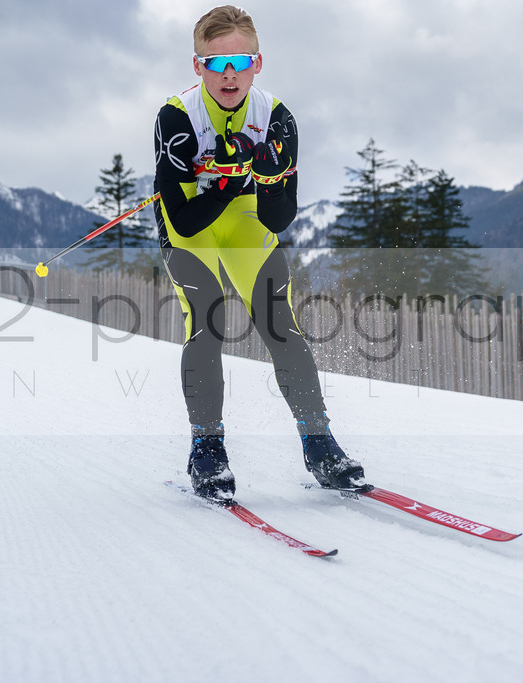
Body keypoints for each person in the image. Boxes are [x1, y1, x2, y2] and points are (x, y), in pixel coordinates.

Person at [153, 5, 366, 501]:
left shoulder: (277, 119)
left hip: (247, 217)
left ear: (258, 63)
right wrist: (228, 181)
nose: (229, 75)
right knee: (206, 317)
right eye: (216, 63)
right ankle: (207, 449)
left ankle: (320, 442)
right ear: (197, 66)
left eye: (240, 61)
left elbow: (276, 219)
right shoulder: (177, 117)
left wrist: (267, 178)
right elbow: (183, 219)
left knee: (277, 320)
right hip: (191, 221)